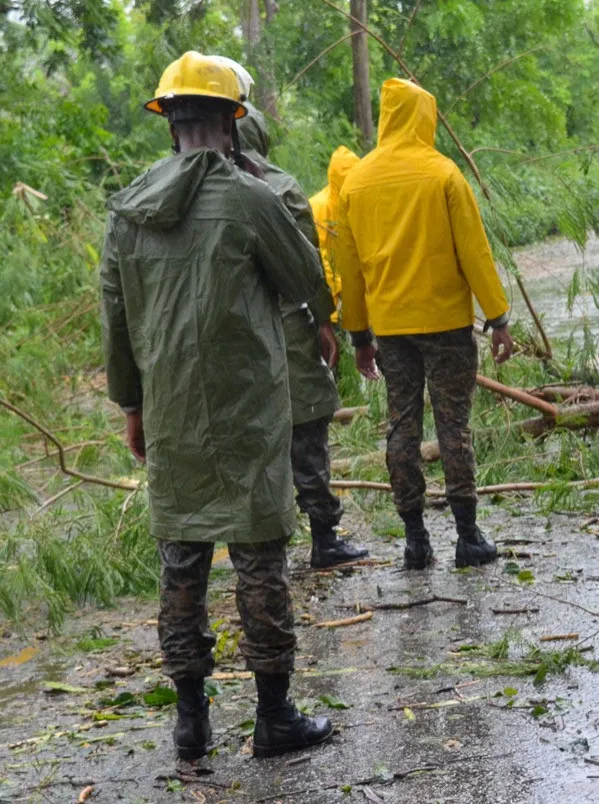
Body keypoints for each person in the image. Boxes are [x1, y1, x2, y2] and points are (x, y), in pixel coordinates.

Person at [99, 51, 334, 759]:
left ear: (169, 124)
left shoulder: (130, 209)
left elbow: (115, 318)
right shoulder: (253, 199)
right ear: (233, 123)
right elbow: (309, 285)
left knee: (183, 561)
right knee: (260, 558)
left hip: (169, 409)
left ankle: (190, 722)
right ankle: (274, 716)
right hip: (250, 408)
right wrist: (321, 322)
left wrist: (132, 405)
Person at [333, 78, 514, 570]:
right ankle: (467, 535)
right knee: (453, 422)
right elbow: (474, 253)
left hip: (391, 331)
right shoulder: (442, 174)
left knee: (401, 426)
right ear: (423, 116)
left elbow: (349, 270)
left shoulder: (356, 183)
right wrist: (497, 317)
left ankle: (415, 540)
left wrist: (358, 335)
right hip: (446, 325)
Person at [237, 102, 369, 569]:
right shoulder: (281, 189)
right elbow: (309, 267)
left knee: (250, 439)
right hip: (289, 326)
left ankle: (258, 550)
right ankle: (324, 537)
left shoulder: (193, 191)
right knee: (307, 427)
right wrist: (326, 320)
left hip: (230, 341)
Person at [309, 146, 362, 324]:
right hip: (333, 305)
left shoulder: (359, 202)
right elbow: (320, 256)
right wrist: (340, 292)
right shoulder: (319, 207)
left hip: (357, 298)